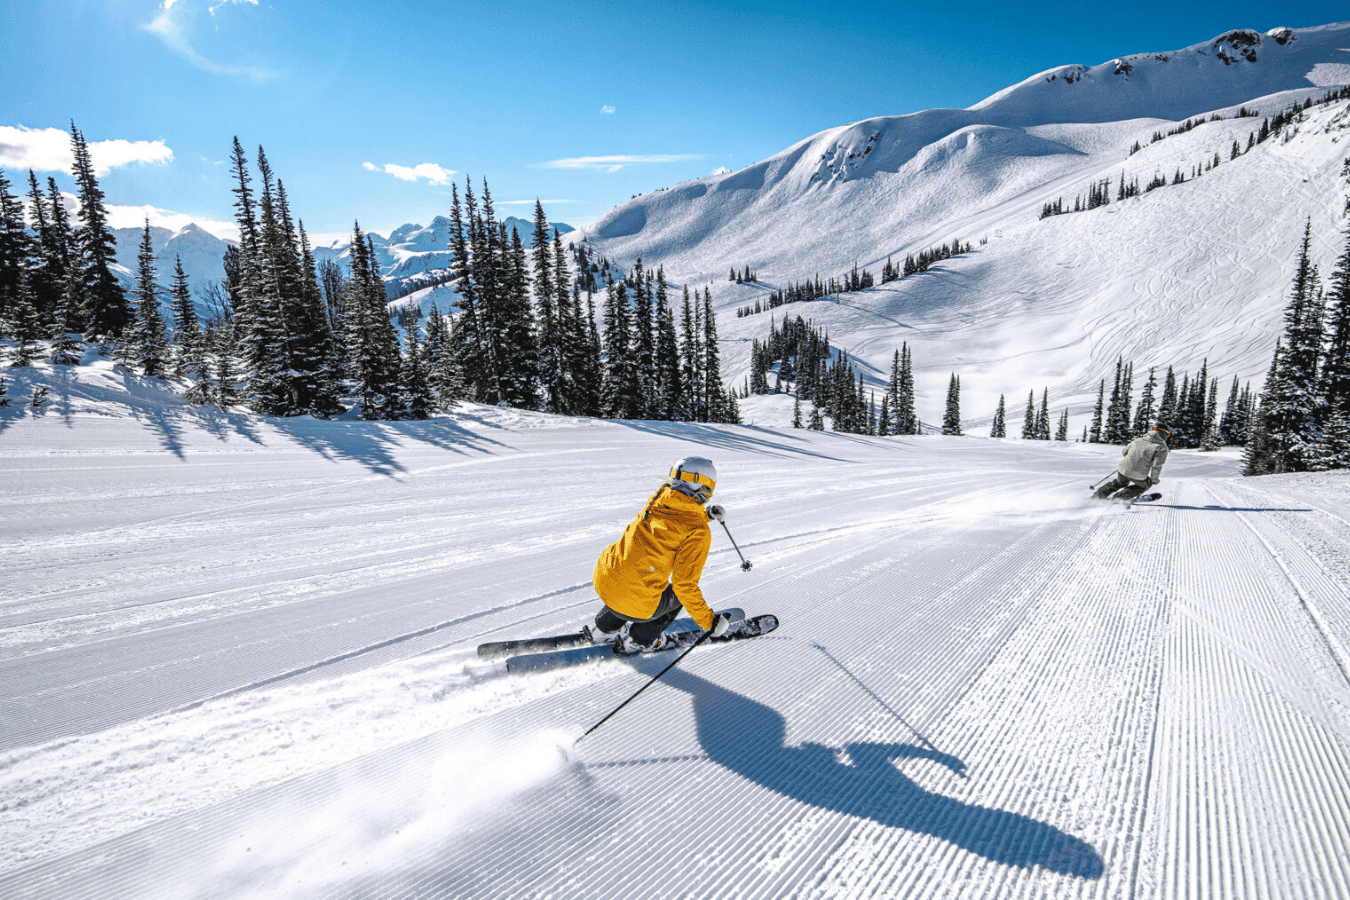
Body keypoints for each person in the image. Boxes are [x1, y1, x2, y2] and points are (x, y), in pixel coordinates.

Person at [587, 456, 734, 655]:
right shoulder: (698, 532)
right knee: (677, 594)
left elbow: (676, 521)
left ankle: (603, 630)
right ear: (703, 487)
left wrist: (706, 515)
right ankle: (640, 641)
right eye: (709, 488)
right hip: (637, 603)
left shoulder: (658, 498)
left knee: (632, 577)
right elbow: (685, 586)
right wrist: (710, 622)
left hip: (605, 581)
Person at [1093, 423, 1171, 500]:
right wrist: (1154, 479)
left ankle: (1098, 495)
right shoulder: (1162, 447)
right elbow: (1157, 465)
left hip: (1123, 468)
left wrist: (1133, 458)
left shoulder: (1138, 440)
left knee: (1120, 483)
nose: (1168, 435)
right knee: (1145, 485)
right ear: (1163, 433)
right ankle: (1120, 498)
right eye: (1168, 433)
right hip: (1138, 473)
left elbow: (1124, 452)